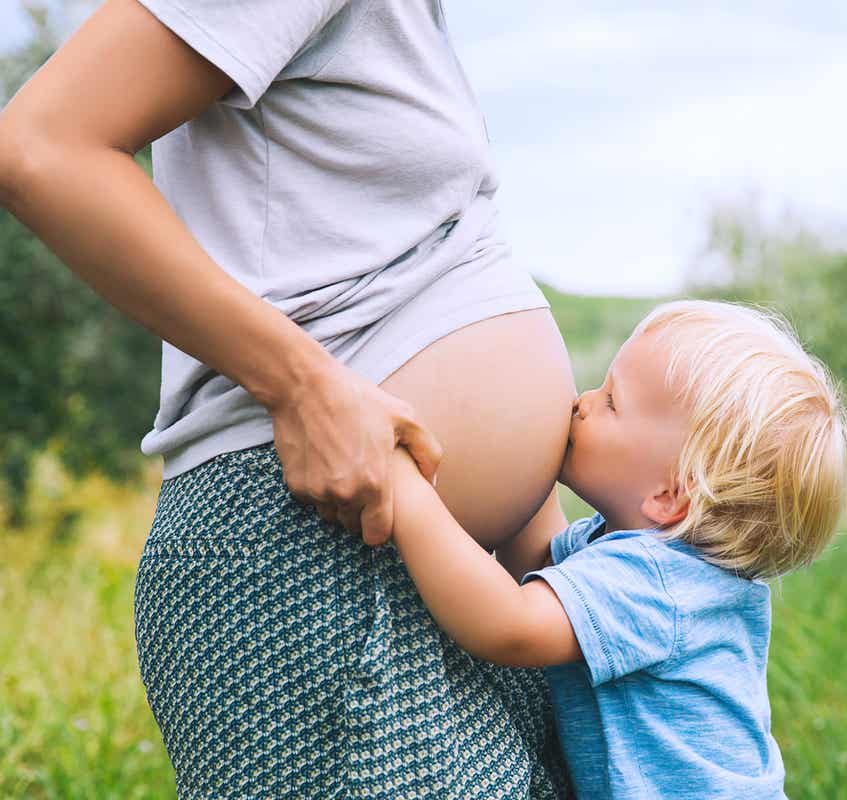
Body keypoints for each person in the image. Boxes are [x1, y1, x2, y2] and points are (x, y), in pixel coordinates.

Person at [0, 0, 578, 797]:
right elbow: (41, 146)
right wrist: (301, 385)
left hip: (444, 575)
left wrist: (536, 520)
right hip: (308, 557)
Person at [385, 299, 847, 799]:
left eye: (611, 402)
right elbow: (536, 565)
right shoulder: (628, 551)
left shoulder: (658, 582)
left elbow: (511, 627)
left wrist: (404, 486)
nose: (583, 402)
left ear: (668, 496)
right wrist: (523, 439)